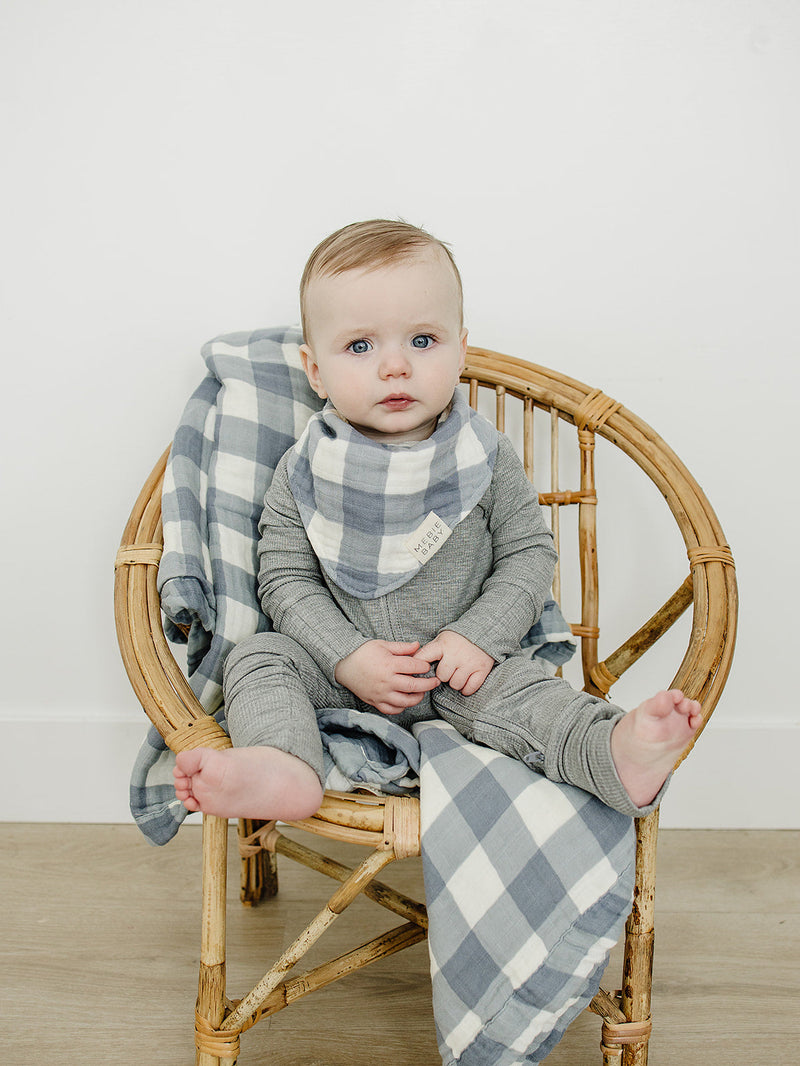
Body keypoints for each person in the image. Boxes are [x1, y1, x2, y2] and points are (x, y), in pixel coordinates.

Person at [174, 219, 701, 822]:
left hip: (460, 672)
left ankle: (612, 754)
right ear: (314, 370)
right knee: (260, 659)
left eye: (422, 340)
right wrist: (346, 654)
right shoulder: (303, 469)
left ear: (461, 349)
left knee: (532, 697)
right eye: (360, 346)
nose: (395, 366)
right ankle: (283, 766)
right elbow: (284, 580)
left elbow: (530, 555)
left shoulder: (484, 454)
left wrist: (478, 637)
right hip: (339, 675)